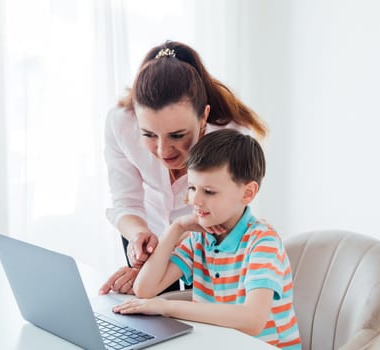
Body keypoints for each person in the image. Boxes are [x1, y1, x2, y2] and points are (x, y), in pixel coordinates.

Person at [99, 41, 267, 295]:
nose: (163, 151)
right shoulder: (120, 124)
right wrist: (139, 237)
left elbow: (221, 220)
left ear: (203, 118)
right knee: (149, 320)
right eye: (148, 135)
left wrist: (159, 263)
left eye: (177, 135)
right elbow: (126, 201)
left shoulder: (230, 138)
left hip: (205, 237)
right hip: (148, 235)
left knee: (201, 316)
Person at [112, 129, 301, 349]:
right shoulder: (199, 238)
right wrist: (176, 228)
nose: (196, 201)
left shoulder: (262, 241)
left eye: (209, 192)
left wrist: (166, 307)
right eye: (192, 188)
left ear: (247, 193)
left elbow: (252, 321)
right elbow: (145, 289)